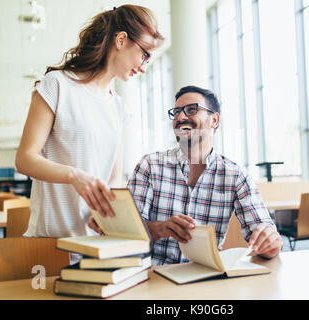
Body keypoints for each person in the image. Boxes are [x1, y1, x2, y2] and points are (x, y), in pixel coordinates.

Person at [89, 85, 283, 265]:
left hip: (205, 279)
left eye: (191, 109)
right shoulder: (149, 166)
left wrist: (270, 242)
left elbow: (265, 234)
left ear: (214, 120)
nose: (181, 117)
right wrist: (161, 228)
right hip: (151, 275)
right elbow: (125, 232)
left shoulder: (235, 175)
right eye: (176, 112)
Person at [15, 5, 164, 239]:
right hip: (50, 242)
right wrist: (74, 176)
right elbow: (24, 159)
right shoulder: (57, 85)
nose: (144, 67)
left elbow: (114, 178)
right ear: (122, 40)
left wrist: (112, 214)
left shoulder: (119, 108)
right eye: (144, 54)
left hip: (97, 245)